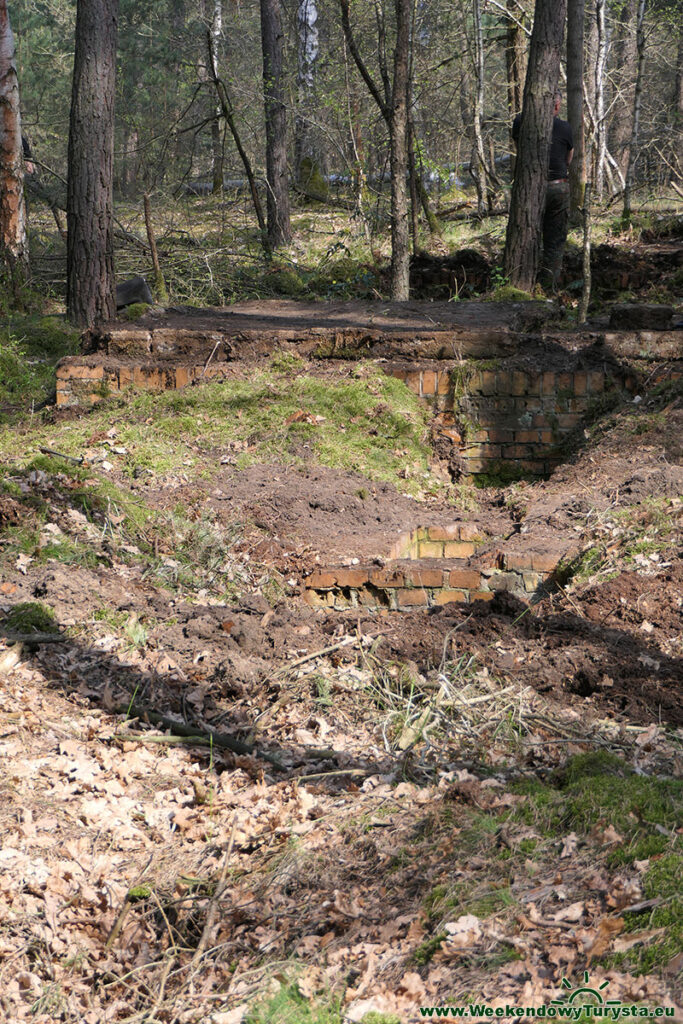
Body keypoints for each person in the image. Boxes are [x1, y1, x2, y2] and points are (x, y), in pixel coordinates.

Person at [512, 91, 573, 290]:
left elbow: (519, 147)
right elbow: (568, 159)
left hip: (530, 189)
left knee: (527, 237)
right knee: (554, 241)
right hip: (558, 187)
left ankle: (522, 284)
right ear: (556, 106)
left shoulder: (521, 121)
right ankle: (548, 288)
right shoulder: (565, 127)